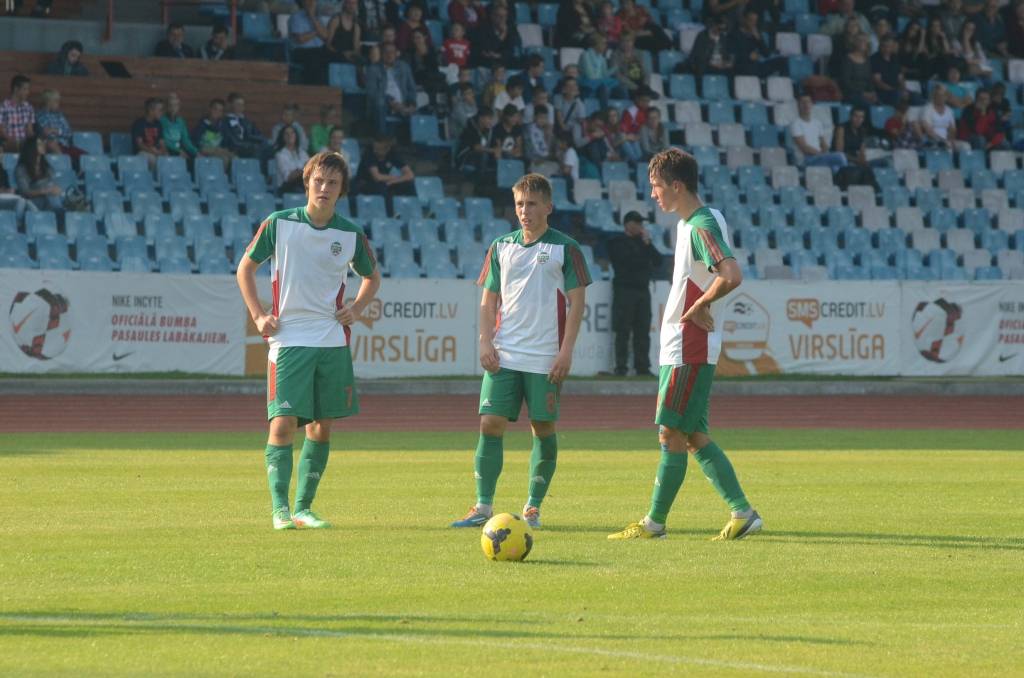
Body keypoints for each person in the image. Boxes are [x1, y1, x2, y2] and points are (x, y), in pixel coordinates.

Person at [608, 148, 762, 542]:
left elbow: (731, 274)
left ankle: (654, 524)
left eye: (657, 186)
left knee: (670, 433)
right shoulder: (698, 222)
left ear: (677, 186)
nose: (653, 195)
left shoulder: (699, 226)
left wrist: (699, 305)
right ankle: (742, 512)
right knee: (691, 435)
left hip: (689, 346)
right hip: (687, 346)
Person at [237, 151, 382, 531]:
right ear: (307, 183)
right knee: (283, 424)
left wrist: (357, 308)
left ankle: (304, 508)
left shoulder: (350, 234)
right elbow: (245, 269)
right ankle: (280, 510)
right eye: (318, 180)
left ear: (341, 189)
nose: (324, 188)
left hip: (331, 340)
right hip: (288, 339)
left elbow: (372, 277)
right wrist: (258, 315)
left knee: (321, 426)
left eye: (332, 182)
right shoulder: (279, 223)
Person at [450, 173, 592, 530]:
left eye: (531, 204)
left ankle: (533, 507)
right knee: (489, 423)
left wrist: (566, 351)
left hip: (545, 356)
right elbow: (488, 301)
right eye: (519, 204)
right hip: (505, 353)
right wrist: (485, 341)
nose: (524, 211)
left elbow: (577, 303)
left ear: (548, 207)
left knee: (542, 427)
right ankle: (483, 506)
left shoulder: (566, 248)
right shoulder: (501, 247)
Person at [609, 210, 662, 377]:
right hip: (624, 291)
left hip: (642, 291)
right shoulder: (617, 242)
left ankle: (642, 367)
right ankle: (621, 367)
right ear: (628, 224)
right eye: (637, 223)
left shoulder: (644, 243)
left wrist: (648, 244)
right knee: (623, 330)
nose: (640, 226)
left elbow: (658, 261)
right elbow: (627, 261)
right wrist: (643, 255)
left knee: (642, 331)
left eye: (641, 223)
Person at [364, 42, 417, 134]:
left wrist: (412, 103)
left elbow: (411, 88)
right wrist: (390, 101)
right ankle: (382, 137)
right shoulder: (373, 69)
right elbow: (371, 92)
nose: (389, 55)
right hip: (385, 104)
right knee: (380, 103)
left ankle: (414, 140)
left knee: (419, 112)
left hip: (403, 103)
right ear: (381, 54)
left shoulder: (404, 67)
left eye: (392, 52)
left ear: (396, 54)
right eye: (386, 52)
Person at [791, 94, 848, 170]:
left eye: (808, 102)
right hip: (806, 160)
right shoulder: (796, 124)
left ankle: (844, 175)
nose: (806, 105)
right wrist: (821, 154)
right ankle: (846, 174)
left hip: (818, 157)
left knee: (835, 167)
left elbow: (823, 143)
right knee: (840, 156)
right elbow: (804, 148)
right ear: (798, 105)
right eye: (803, 102)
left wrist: (826, 151)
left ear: (812, 104)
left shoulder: (817, 123)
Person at [353, 134, 415, 204]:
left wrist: (394, 181)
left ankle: (412, 207)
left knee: (409, 184)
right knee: (383, 188)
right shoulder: (369, 153)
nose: (375, 151)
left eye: (378, 149)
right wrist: (395, 178)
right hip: (365, 183)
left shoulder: (393, 153)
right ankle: (389, 210)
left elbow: (410, 175)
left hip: (385, 182)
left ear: (387, 149)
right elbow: (377, 177)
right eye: (375, 148)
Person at [35, 89, 84, 165]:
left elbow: (69, 132)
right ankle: (66, 166)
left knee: (87, 157)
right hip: (53, 147)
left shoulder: (60, 115)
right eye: (56, 101)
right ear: (48, 102)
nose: (58, 103)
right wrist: (58, 132)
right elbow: (47, 134)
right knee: (51, 144)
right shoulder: (40, 116)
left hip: (66, 146)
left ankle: (74, 166)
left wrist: (56, 130)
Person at [15, 135, 62, 211]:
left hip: (49, 199)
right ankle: (59, 213)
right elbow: (25, 192)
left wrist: (55, 190)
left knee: (55, 196)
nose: (43, 145)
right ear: (31, 148)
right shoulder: (22, 169)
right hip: (32, 202)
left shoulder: (46, 167)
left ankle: (58, 212)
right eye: (39, 144)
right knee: (51, 198)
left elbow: (52, 184)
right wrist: (45, 191)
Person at [290, 0, 331, 84]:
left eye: (313, 1)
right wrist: (317, 32)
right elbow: (300, 39)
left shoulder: (317, 18)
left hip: (319, 50)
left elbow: (325, 36)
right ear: (303, 2)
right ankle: (312, 87)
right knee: (315, 58)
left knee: (331, 55)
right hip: (301, 51)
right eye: (308, 1)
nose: (311, 3)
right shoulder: (296, 17)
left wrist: (312, 17)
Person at [921, 84, 970, 150]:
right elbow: (928, 131)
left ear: (946, 97)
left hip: (947, 140)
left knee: (966, 146)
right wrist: (942, 141)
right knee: (947, 147)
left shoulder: (949, 110)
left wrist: (950, 140)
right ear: (934, 96)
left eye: (943, 95)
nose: (941, 98)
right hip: (932, 141)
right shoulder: (927, 109)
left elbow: (952, 129)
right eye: (938, 95)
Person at [191, 98, 235, 169]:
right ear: (210, 109)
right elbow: (195, 142)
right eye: (215, 109)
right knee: (224, 159)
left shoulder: (223, 126)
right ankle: (219, 175)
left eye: (220, 110)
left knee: (235, 158)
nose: (217, 112)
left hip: (219, 150)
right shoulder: (202, 124)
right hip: (205, 149)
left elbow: (226, 141)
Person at [223, 92, 269, 159]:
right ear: (230, 105)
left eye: (242, 105)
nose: (241, 107)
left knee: (268, 147)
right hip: (235, 149)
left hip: (250, 148)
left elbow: (258, 134)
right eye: (238, 104)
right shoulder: (225, 121)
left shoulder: (246, 122)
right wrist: (252, 145)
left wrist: (263, 142)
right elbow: (232, 141)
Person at [456, 107, 498, 175]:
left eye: (491, 119)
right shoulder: (470, 127)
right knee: (483, 155)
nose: (491, 122)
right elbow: (476, 147)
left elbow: (495, 144)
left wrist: (497, 150)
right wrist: (493, 150)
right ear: (481, 118)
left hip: (480, 159)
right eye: (489, 119)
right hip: (465, 158)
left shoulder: (488, 129)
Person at [131, 98, 168, 170]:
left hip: (156, 152)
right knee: (152, 159)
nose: (162, 113)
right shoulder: (139, 124)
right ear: (151, 111)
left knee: (168, 159)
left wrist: (164, 151)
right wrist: (153, 151)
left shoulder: (158, 124)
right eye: (160, 110)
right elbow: (140, 145)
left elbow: (162, 142)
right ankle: (151, 177)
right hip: (143, 153)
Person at [0, 75, 34, 152]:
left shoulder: (28, 107)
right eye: (25, 89)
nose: (27, 92)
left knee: (39, 146)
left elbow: (29, 131)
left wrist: (35, 141)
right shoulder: (3, 107)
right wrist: (15, 142)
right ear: (16, 89)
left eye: (28, 89)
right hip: (7, 142)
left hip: (24, 144)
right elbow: (1, 132)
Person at [161, 92, 198, 159]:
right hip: (167, 150)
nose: (173, 108)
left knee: (194, 158)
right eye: (170, 105)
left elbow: (185, 141)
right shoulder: (162, 120)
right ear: (166, 107)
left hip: (178, 149)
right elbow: (164, 140)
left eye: (175, 105)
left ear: (178, 107)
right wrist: (178, 151)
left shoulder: (181, 121)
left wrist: (196, 152)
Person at [274, 125, 310, 194]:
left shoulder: (302, 152)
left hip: (302, 184)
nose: (290, 135)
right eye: (286, 134)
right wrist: (304, 169)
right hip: (286, 188)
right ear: (282, 137)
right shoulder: (280, 155)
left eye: (292, 133)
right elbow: (288, 177)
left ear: (296, 135)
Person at [871, 36, 906, 107]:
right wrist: (894, 90)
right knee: (896, 95)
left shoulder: (895, 58)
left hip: (896, 90)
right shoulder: (874, 59)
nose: (886, 49)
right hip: (881, 92)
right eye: (884, 46)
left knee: (916, 98)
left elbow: (901, 78)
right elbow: (878, 82)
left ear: (892, 47)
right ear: (879, 46)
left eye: (889, 46)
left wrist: (903, 89)